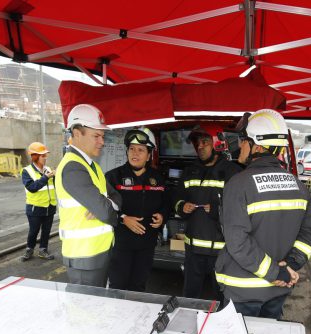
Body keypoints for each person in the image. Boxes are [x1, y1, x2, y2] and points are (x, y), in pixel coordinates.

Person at [215, 109, 311, 320]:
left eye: (244, 140)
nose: (240, 145)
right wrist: (289, 265)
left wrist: (275, 273)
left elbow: (237, 242)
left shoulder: (238, 184)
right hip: (278, 291)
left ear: (258, 145)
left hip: (242, 291)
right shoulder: (298, 186)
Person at [56, 104, 121, 287]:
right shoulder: (73, 168)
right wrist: (105, 206)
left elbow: (116, 198)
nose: (102, 141)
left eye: (102, 136)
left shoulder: (92, 166)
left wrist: (106, 203)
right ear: (77, 133)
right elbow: (107, 212)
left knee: (96, 309)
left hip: (97, 253)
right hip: (84, 257)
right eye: (96, 136)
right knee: (86, 313)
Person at [174, 124, 238, 299]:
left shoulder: (233, 172)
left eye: (204, 142)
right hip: (193, 251)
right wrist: (181, 206)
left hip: (221, 252)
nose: (199, 147)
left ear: (217, 143)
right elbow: (176, 199)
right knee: (189, 298)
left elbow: (241, 210)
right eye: (197, 143)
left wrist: (218, 210)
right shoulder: (189, 172)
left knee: (221, 300)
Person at [105, 128, 167, 291]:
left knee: (139, 287)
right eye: (131, 148)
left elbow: (166, 203)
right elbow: (104, 207)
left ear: (149, 155)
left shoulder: (158, 178)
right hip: (120, 244)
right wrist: (123, 218)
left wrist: (162, 215)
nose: (135, 153)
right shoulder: (113, 177)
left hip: (147, 245)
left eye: (141, 150)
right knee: (118, 287)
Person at [21, 142, 57, 261]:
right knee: (34, 231)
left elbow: (55, 186)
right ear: (35, 156)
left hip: (50, 206)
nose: (45, 158)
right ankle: (29, 249)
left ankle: (43, 250)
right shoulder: (26, 171)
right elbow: (32, 188)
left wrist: (56, 176)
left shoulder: (47, 169)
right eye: (43, 156)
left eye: (46, 155)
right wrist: (46, 178)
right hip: (35, 207)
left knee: (46, 231)